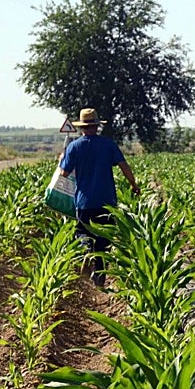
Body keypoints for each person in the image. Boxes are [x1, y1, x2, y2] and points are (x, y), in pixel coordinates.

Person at [59, 107, 139, 286]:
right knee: (104, 240)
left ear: (81, 128)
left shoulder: (74, 147)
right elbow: (123, 166)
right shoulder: (108, 144)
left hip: (84, 202)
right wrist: (134, 185)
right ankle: (100, 273)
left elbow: (64, 173)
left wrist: (62, 158)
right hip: (106, 201)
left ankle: (87, 251)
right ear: (96, 126)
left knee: (83, 232)